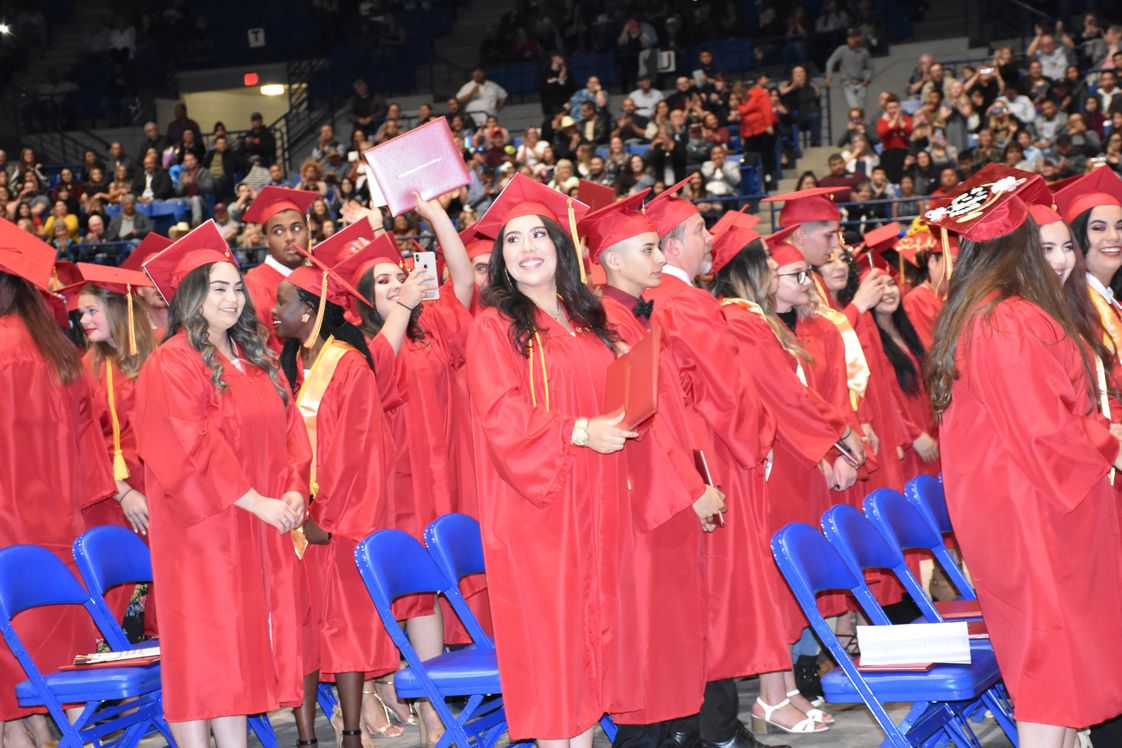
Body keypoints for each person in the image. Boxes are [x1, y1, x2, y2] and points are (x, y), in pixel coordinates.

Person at [925, 169, 1122, 747]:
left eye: (1067, 246)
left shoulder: (994, 312)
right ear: (1014, 251)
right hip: (1034, 515)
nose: (1063, 261)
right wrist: (1112, 446)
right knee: (1048, 673)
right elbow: (1046, 433)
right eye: (1047, 247)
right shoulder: (1007, 319)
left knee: (1058, 675)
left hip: (1025, 509)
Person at [464, 176, 639, 746]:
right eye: (512, 240)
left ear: (561, 246)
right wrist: (582, 431)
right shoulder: (494, 327)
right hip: (535, 508)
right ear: (502, 261)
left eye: (538, 233)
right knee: (551, 645)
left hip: (595, 500)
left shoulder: (588, 320)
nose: (526, 247)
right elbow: (500, 415)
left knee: (589, 644)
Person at [135, 220, 310, 747]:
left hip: (252, 524)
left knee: (236, 648)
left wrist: (295, 489)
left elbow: (291, 431)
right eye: (219, 288)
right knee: (204, 649)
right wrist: (256, 501)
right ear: (191, 297)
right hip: (201, 532)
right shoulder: (172, 363)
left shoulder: (257, 363)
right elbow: (188, 445)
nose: (233, 298)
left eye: (237, 287)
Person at [643, 176, 796, 748]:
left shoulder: (661, 302)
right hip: (714, 457)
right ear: (672, 244)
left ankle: (710, 724)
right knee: (715, 593)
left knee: (698, 595)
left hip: (690, 455)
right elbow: (726, 392)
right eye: (700, 230)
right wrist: (760, 439)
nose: (710, 239)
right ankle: (717, 727)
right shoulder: (685, 304)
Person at [708, 219, 862, 736]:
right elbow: (781, 393)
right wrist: (837, 432)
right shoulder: (738, 318)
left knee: (784, 576)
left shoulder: (757, 318)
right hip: (770, 462)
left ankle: (787, 690)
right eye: (769, 263)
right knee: (773, 576)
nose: (776, 269)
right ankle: (772, 696)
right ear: (747, 269)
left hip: (789, 459)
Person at [579, 193, 719, 748]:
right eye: (648, 249)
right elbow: (641, 426)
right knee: (648, 641)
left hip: (670, 495)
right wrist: (692, 490)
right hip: (647, 503)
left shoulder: (636, 319)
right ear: (611, 258)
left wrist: (702, 478)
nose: (661, 259)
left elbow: (677, 412)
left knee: (670, 636)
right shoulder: (608, 323)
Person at [273, 222, 405, 748]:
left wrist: (325, 520)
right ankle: (306, 739)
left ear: (307, 311)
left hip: (334, 524)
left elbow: (360, 451)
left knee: (343, 628)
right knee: (302, 629)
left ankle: (351, 734)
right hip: (292, 521)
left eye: (281, 302)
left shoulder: (348, 367)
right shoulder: (289, 364)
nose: (272, 311)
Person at [0, 221, 116, 747]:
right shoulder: (62, 355)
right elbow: (93, 456)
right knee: (49, 655)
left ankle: (23, 729)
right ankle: (52, 728)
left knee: (11, 659)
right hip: (61, 528)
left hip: (7, 521)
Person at [65, 263, 159, 621]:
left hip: (161, 491)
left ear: (119, 309)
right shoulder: (83, 370)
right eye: (81, 313)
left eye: (92, 311)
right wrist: (122, 490)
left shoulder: (159, 357)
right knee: (126, 595)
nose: (84, 320)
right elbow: (80, 444)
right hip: (112, 497)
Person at [241, 187, 317, 352]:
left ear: (308, 232)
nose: (290, 237)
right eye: (279, 231)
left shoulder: (321, 275)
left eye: (296, 228)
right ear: (266, 240)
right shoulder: (253, 284)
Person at [899, 229, 953, 351]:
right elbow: (927, 349)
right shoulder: (916, 300)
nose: (954, 271)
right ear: (932, 262)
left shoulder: (951, 296)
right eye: (952, 262)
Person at [121, 233, 173, 334]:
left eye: (164, 276)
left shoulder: (190, 328)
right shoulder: (134, 334)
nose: (158, 284)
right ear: (139, 289)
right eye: (150, 278)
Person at [824, 28, 872, 109]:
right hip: (847, 83)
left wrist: (867, 79)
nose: (852, 39)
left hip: (861, 83)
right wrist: (829, 75)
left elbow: (870, 67)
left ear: (859, 38)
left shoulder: (864, 52)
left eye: (854, 37)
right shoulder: (842, 49)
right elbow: (830, 62)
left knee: (861, 110)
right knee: (854, 109)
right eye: (850, 37)